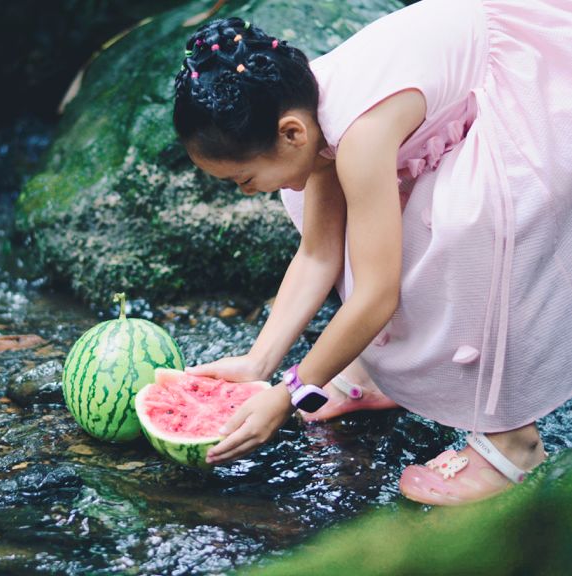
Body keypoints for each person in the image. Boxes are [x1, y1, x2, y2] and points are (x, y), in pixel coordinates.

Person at [172, 0, 572, 505]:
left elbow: (377, 294)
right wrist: (257, 364)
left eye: (243, 179)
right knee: (343, 224)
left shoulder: (357, 134)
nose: (245, 192)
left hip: (530, 84)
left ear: (290, 134)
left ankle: (514, 441)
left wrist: (292, 390)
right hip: (449, 80)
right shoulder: (297, 113)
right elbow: (318, 256)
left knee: (461, 227)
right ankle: (382, 368)